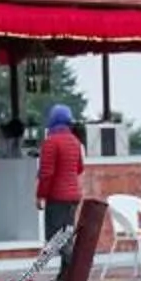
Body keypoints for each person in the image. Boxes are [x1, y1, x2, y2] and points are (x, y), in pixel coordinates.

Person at [35, 102, 85, 241]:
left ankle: (71, 261)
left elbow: (46, 174)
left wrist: (40, 196)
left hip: (57, 198)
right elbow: (79, 168)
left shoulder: (51, 142)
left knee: (55, 238)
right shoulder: (75, 141)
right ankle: (68, 262)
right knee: (65, 235)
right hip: (73, 198)